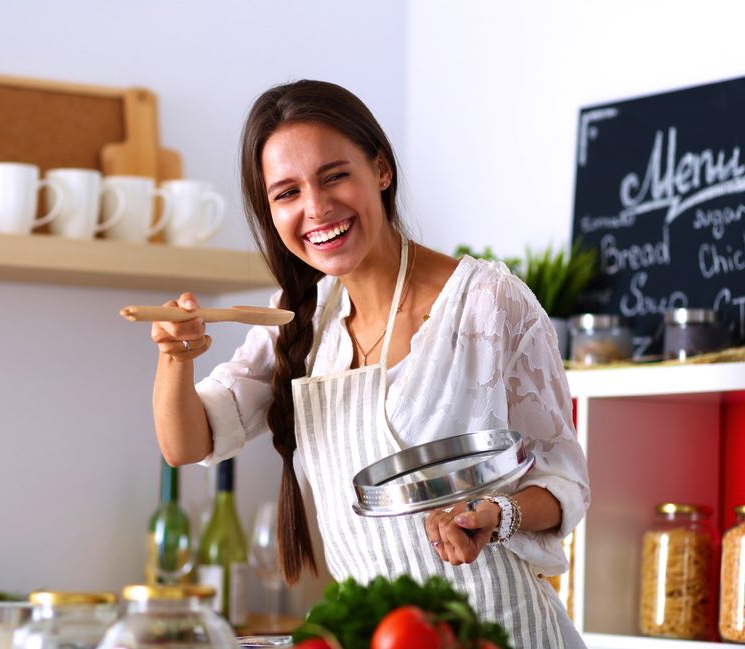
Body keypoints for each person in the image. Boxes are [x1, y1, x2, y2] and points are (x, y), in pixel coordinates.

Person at [150, 79, 589, 648]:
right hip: (379, 636)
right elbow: (187, 443)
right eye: (286, 193)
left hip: (499, 631)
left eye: (334, 175)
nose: (316, 208)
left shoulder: (486, 302)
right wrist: (173, 358)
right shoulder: (298, 316)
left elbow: (566, 484)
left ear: (380, 169)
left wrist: (495, 512)